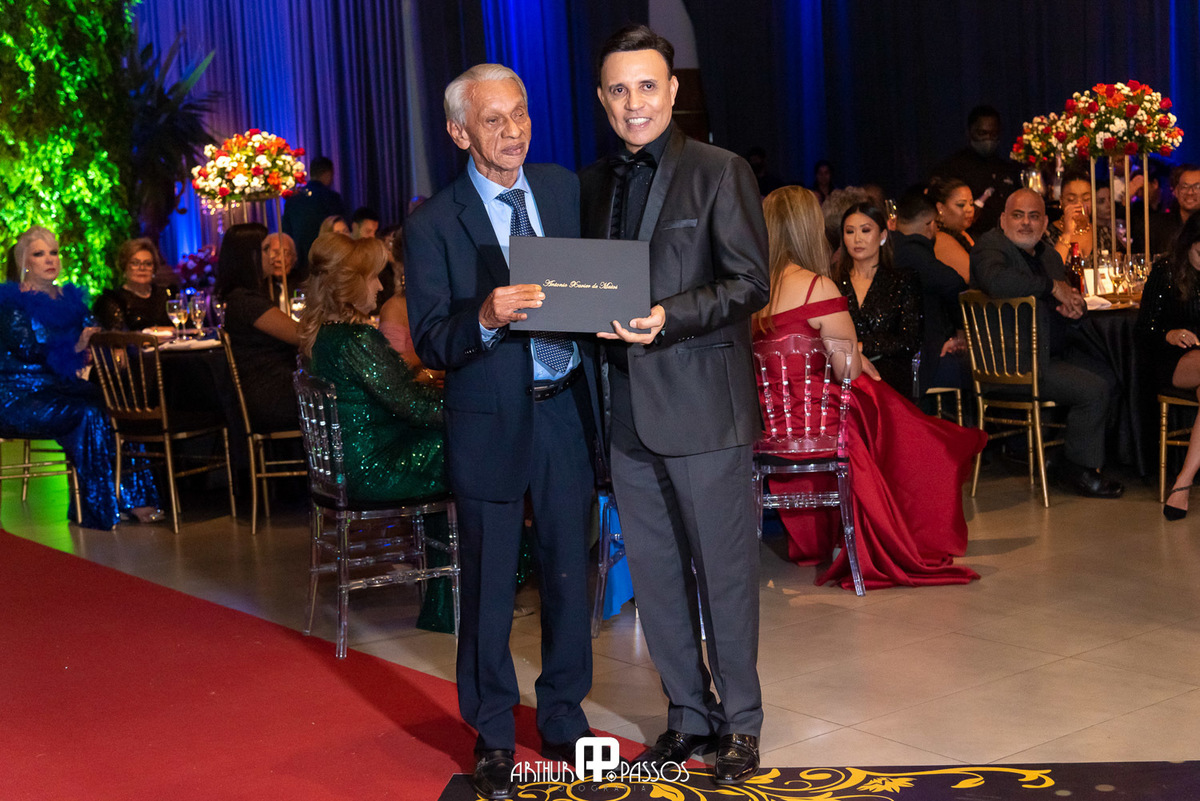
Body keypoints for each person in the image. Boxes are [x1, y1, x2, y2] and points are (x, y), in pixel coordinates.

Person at [579, 24, 768, 785]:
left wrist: (669, 316)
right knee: (655, 577)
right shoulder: (595, 184)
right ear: (603, 99)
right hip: (626, 409)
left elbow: (749, 283)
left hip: (704, 409)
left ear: (674, 90)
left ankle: (742, 723)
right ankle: (688, 715)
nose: (635, 103)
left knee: (724, 575)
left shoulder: (720, 170)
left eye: (648, 86)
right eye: (619, 90)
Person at [404, 63, 598, 801]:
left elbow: (593, 284)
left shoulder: (561, 188)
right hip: (489, 422)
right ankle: (490, 733)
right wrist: (484, 317)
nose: (514, 131)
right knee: (488, 584)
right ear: (460, 133)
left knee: (568, 571)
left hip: (565, 409)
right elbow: (431, 337)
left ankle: (563, 716)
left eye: (520, 113)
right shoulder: (433, 222)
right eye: (494, 120)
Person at [755, 186, 983, 587]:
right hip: (817, 421)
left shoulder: (753, 291)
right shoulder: (817, 287)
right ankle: (915, 508)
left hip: (769, 421)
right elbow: (845, 368)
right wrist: (859, 359)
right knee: (888, 413)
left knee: (879, 403)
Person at [298, 232, 454, 629]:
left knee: (452, 448)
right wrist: (473, 410)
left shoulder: (323, 337)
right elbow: (412, 405)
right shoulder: (357, 339)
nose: (380, 287)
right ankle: (466, 591)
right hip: (372, 471)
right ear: (350, 285)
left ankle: (448, 600)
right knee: (469, 450)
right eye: (372, 278)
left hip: (342, 470)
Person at [0, 227, 159, 530]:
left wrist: (116, 345)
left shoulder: (69, 299)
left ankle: (132, 497)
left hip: (60, 388)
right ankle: (99, 507)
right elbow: (28, 350)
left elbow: (95, 330)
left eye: (54, 252)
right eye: (39, 254)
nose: (50, 259)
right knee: (88, 413)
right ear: (24, 262)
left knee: (117, 405)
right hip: (18, 395)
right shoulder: (11, 303)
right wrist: (76, 346)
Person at [970, 189, 1123, 498]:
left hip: (1049, 355)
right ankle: (1080, 471)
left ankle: (1066, 460)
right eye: (1018, 215)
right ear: (1003, 219)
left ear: (1044, 223)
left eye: (1034, 216)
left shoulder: (1048, 255)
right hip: (1011, 362)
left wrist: (1074, 311)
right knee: (1093, 389)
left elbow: (1061, 300)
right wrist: (1052, 287)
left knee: (1113, 376)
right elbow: (997, 281)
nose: (1026, 223)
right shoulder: (991, 247)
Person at [1135, 215, 1200, 519]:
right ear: (1188, 245)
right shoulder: (1167, 270)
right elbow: (1143, 329)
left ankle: (1182, 483)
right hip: (1173, 358)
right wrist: (1170, 334)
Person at [215, 223, 301, 433]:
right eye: (266, 250)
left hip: (270, 391)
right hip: (270, 398)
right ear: (248, 256)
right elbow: (301, 335)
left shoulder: (243, 297)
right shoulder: (247, 302)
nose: (273, 257)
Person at [832, 202, 922, 395]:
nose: (857, 239)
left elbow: (910, 340)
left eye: (865, 230)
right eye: (850, 232)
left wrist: (861, 346)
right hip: (844, 375)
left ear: (882, 236)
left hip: (888, 376)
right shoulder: (833, 282)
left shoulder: (902, 280)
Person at [892, 188, 968, 397]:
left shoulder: (888, 248)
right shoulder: (912, 253)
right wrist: (961, 330)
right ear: (930, 224)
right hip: (919, 357)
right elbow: (953, 283)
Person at [933, 105, 1021, 238]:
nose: (988, 138)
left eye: (993, 134)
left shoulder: (1007, 168)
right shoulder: (953, 167)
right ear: (969, 133)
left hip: (1005, 238)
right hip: (967, 238)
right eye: (982, 133)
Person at [282, 155, 347, 280]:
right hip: (328, 262)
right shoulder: (332, 198)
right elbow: (340, 227)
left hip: (299, 263)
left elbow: (286, 232)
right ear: (328, 174)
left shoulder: (293, 199)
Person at [92, 238, 173, 331]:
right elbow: (117, 335)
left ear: (154, 269)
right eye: (135, 263)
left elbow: (180, 328)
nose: (142, 268)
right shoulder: (113, 300)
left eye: (148, 264)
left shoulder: (164, 295)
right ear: (125, 267)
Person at [928, 177, 974, 281]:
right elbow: (972, 278)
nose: (970, 209)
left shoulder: (962, 233)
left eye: (971, 204)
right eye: (961, 205)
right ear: (940, 208)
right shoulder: (940, 239)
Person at [261, 232, 298, 312]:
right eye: (274, 253)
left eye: (285, 253)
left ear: (294, 257)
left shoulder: (303, 282)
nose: (280, 259)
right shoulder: (259, 287)